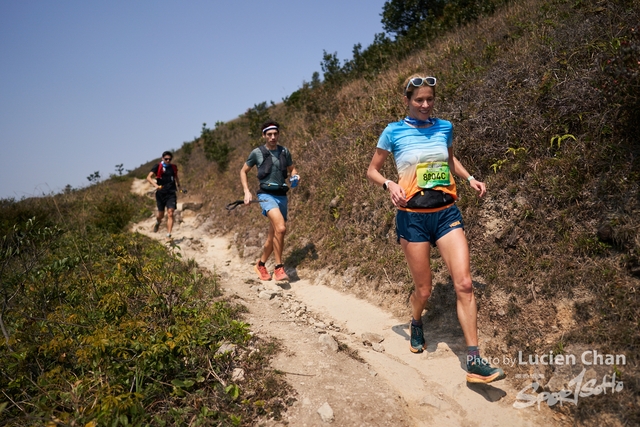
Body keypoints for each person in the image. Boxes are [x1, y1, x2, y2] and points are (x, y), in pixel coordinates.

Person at [366, 74, 505, 384]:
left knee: (464, 284)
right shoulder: (393, 132)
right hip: (412, 218)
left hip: (446, 214)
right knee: (424, 290)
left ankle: (474, 360)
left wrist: (470, 179)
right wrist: (389, 184)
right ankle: (416, 321)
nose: (425, 105)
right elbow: (372, 170)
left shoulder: (445, 127)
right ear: (407, 101)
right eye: (419, 100)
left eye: (430, 99)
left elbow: (450, 161)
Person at [240, 120, 299, 282]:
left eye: (275, 134)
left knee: (273, 235)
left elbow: (292, 168)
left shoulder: (284, 151)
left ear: (278, 134)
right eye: (269, 134)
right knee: (281, 228)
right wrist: (246, 191)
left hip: (282, 196)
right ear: (264, 135)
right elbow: (243, 171)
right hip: (266, 195)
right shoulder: (257, 153)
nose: (273, 137)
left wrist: (295, 176)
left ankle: (261, 264)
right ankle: (279, 268)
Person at [146, 151, 183, 241]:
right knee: (161, 214)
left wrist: (179, 187)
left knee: (170, 213)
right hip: (161, 193)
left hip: (171, 193)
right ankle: (158, 222)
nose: (168, 160)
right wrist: (156, 186)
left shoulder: (173, 167)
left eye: (169, 159)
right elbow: (148, 177)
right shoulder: (157, 166)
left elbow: (176, 177)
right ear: (162, 158)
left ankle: (168, 235)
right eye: (166, 159)